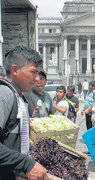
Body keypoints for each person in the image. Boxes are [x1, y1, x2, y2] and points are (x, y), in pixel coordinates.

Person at [0, 46, 48, 179]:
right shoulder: (4, 94)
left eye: (39, 73)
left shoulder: (20, 98)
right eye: (34, 72)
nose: (37, 78)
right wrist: (25, 164)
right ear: (15, 70)